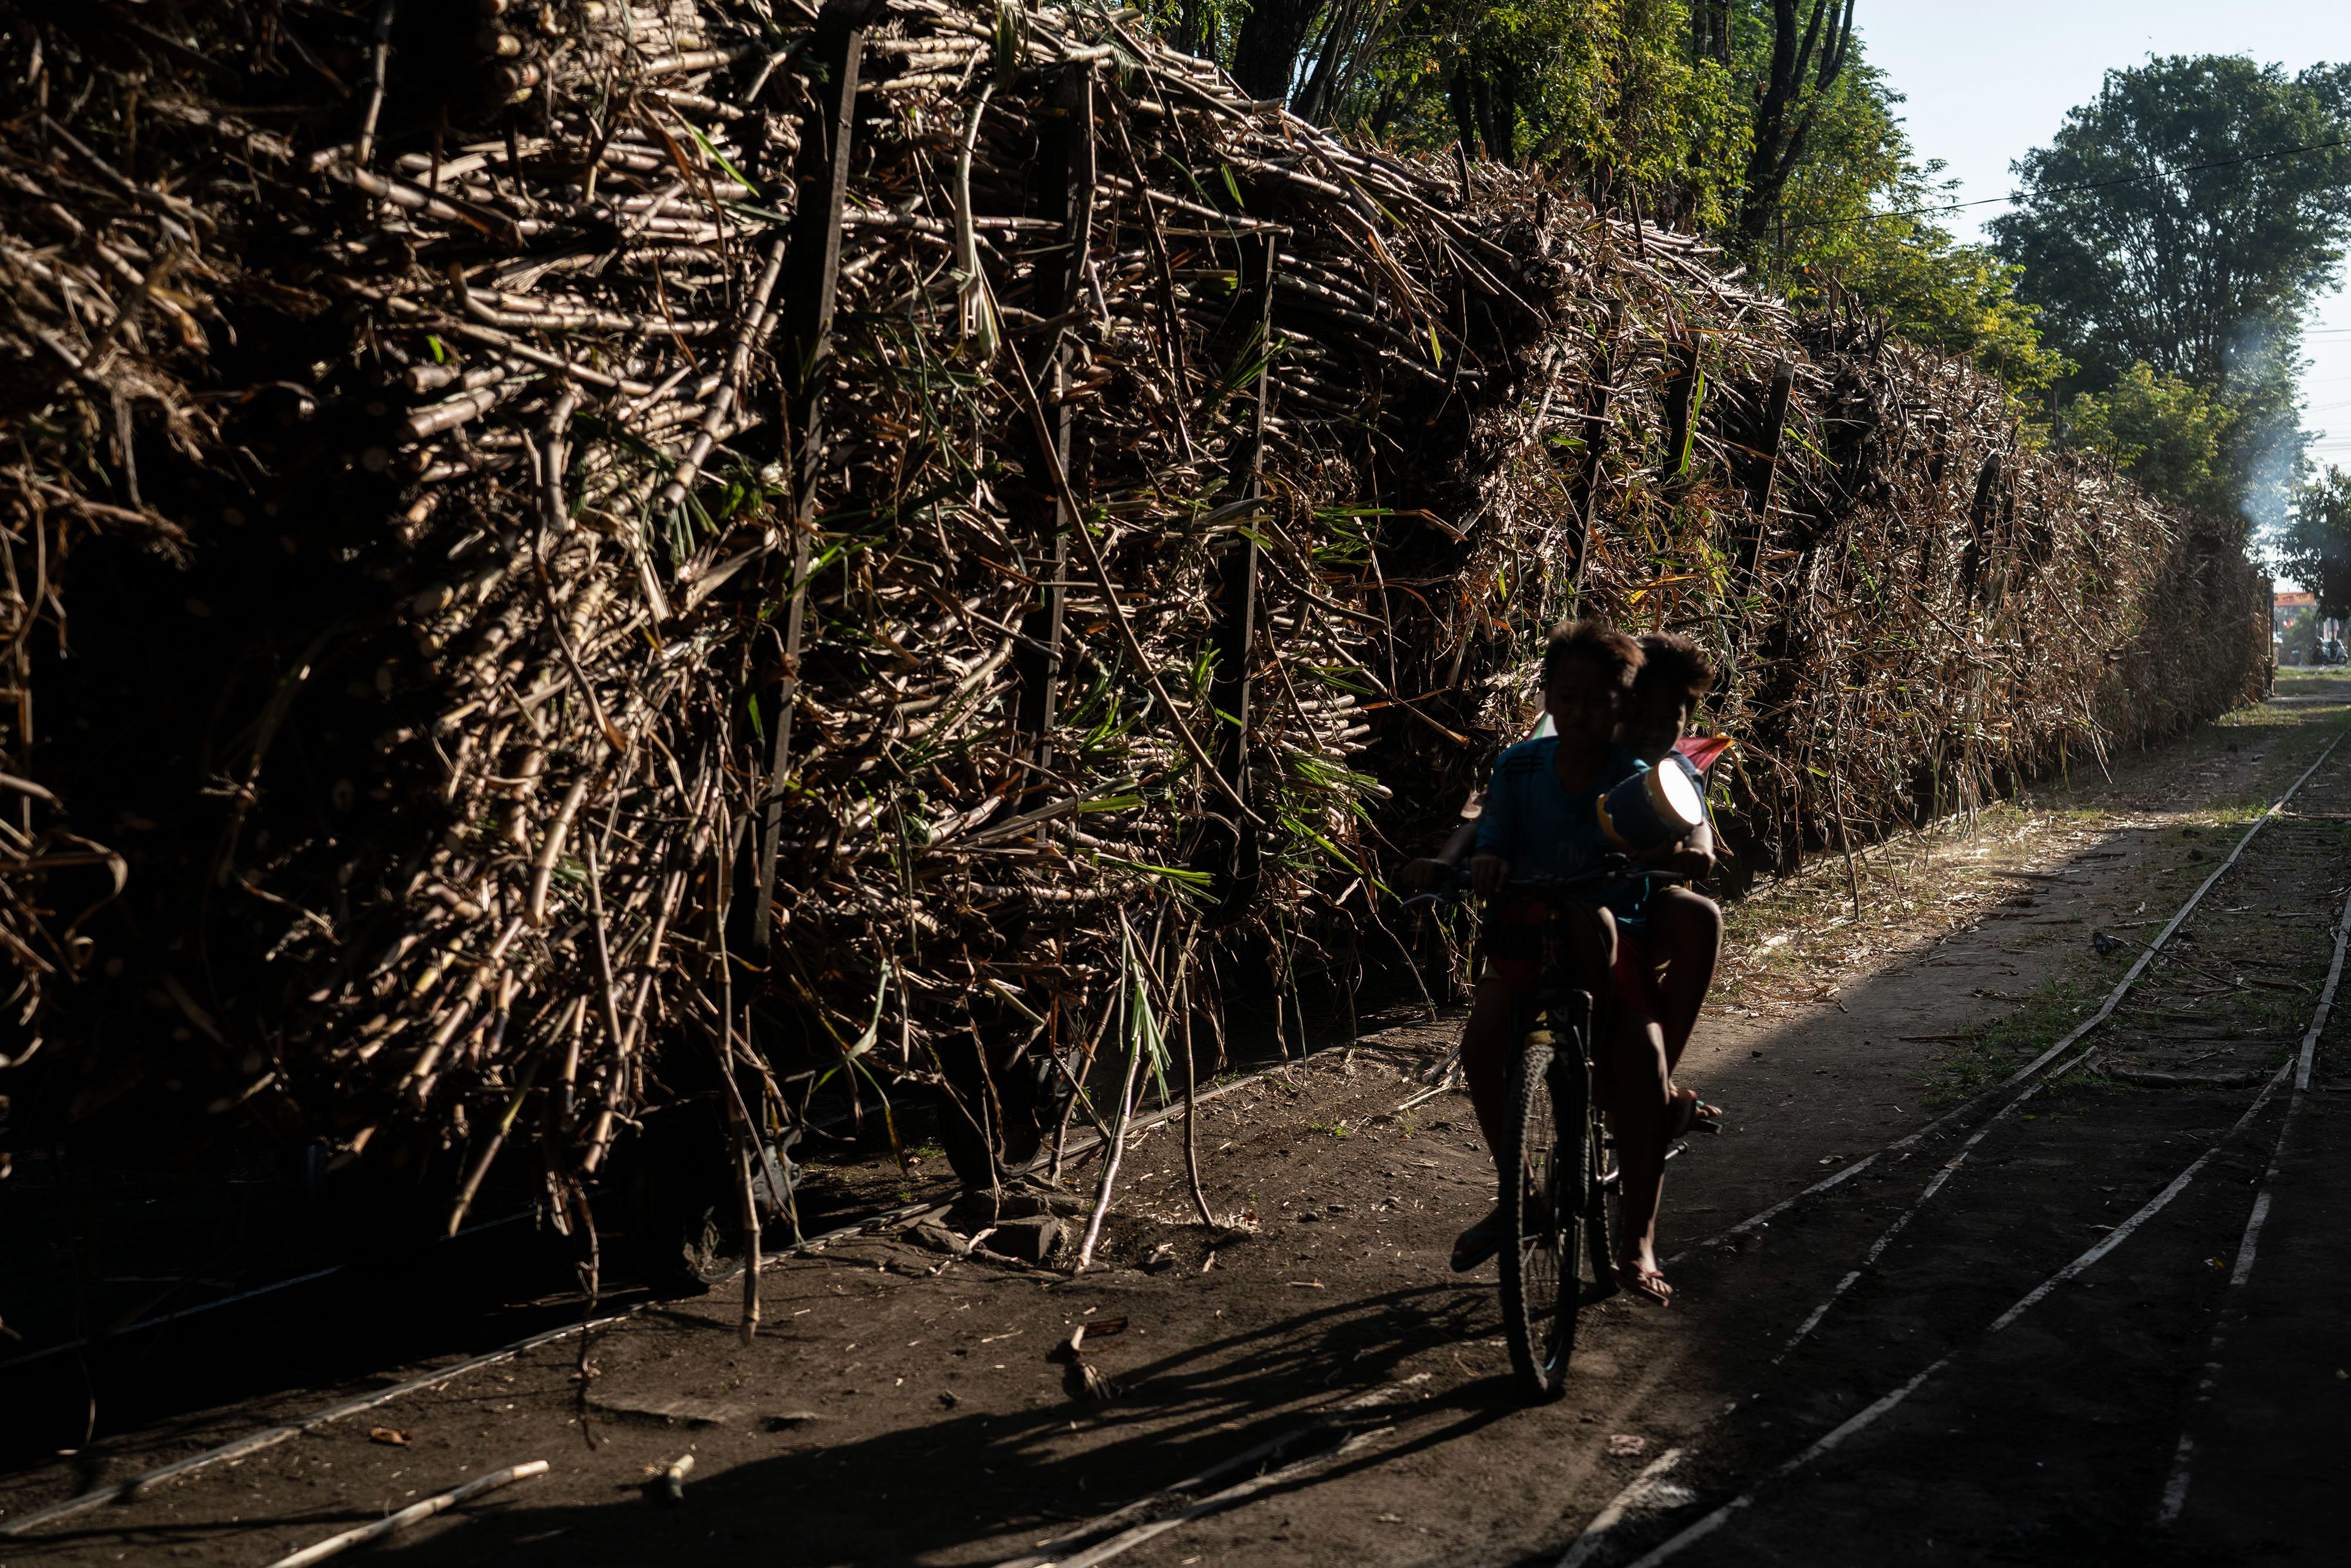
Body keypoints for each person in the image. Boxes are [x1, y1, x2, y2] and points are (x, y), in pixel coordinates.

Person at [1433, 620, 1652, 1286]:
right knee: (1479, 1051)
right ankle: (1518, 1192)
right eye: (1565, 695)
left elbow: (1649, 853)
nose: (1579, 711)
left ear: (1622, 705)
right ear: (1548, 698)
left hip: (1597, 928)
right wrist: (1489, 859)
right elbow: (1492, 829)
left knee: (1596, 927)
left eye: (1596, 698)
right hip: (1526, 926)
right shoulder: (1518, 766)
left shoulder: (1631, 778)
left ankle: (1600, 1050)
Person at [1601, 633, 1730, 1302]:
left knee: (1700, 915)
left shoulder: (1680, 767)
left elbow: (1698, 827)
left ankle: (1658, 1088)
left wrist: (1697, 849)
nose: (1657, 729)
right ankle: (1650, 1096)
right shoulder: (1587, 751)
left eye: (1671, 718)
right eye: (1643, 714)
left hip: (1645, 911)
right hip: (1586, 912)